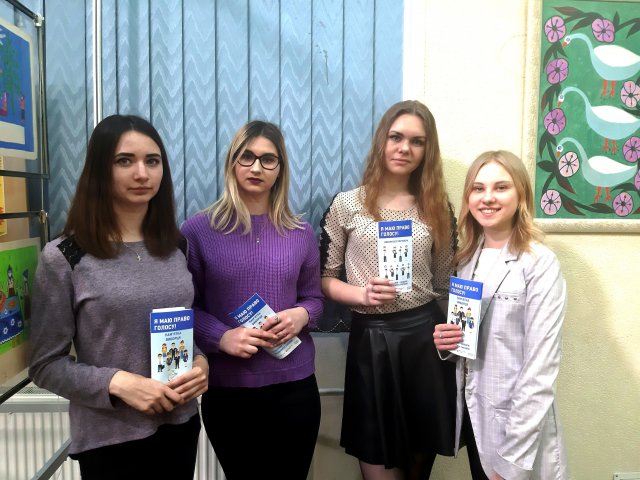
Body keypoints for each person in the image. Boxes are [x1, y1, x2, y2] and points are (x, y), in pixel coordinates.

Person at [28, 114, 209, 480]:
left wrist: (200, 362)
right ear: (99, 169)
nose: (142, 173)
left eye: (152, 161)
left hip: (180, 425)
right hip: (110, 439)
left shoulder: (176, 246)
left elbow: (181, 327)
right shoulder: (65, 256)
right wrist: (119, 383)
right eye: (124, 161)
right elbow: (45, 366)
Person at [320, 100, 457, 479]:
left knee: (417, 471)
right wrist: (361, 295)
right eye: (396, 137)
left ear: (427, 150)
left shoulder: (436, 207)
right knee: (376, 463)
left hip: (424, 344)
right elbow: (324, 279)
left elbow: (444, 285)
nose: (404, 148)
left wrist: (459, 340)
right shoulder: (347, 204)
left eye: (417, 141)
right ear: (382, 140)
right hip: (371, 344)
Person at [181, 120, 323, 480]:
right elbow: (183, 309)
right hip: (229, 391)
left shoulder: (301, 232)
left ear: (280, 169)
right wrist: (220, 337)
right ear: (232, 162)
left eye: (268, 159)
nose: (256, 167)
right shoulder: (197, 230)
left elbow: (315, 299)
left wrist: (301, 315)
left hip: (295, 388)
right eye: (247, 157)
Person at [433, 150, 569, 480]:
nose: (488, 198)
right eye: (478, 188)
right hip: (476, 418)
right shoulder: (467, 259)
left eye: (501, 187)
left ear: (521, 194)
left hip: (518, 431)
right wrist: (449, 344)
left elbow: (540, 371)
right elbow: (474, 341)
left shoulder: (539, 263)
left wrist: (510, 465)